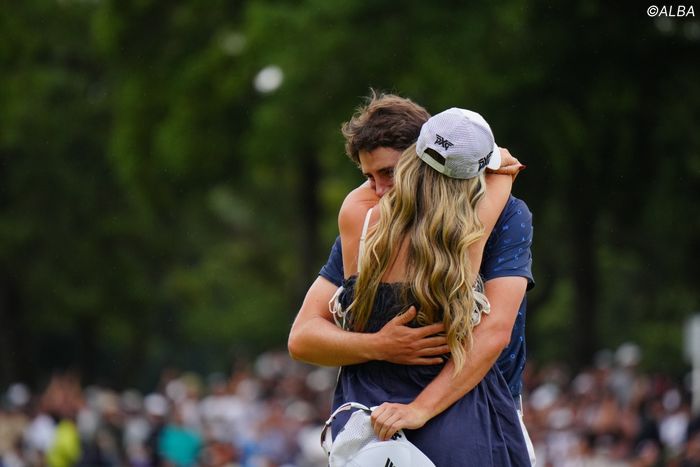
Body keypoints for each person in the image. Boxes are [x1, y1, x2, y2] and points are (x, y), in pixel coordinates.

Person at [288, 92, 535, 463]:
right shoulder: (369, 219)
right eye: (368, 177)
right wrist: (379, 344)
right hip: (387, 416)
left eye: (388, 172)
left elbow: (493, 332)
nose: (380, 189)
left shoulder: (506, 215)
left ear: (427, 159)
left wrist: (421, 407)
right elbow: (304, 337)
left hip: (480, 404)